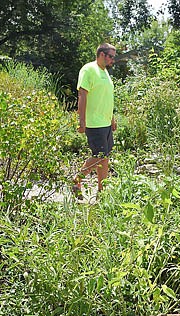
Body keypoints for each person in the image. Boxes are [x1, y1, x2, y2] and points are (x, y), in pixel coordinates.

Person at [72, 43, 117, 199]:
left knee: (105, 157)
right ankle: (76, 180)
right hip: (94, 123)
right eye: (111, 56)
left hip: (105, 123)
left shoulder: (105, 73)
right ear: (102, 54)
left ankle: (101, 191)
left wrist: (112, 118)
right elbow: (82, 95)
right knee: (99, 155)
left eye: (114, 57)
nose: (113, 60)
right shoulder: (88, 69)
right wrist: (81, 121)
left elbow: (106, 98)